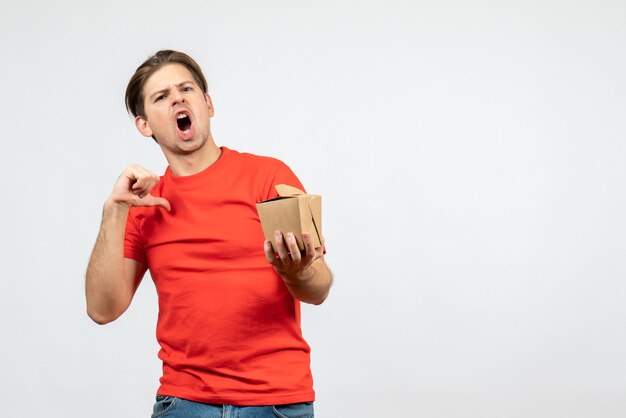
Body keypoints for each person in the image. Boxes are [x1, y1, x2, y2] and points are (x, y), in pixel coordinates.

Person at [85, 50, 333, 418]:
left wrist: (298, 272)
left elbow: (320, 287)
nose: (178, 98)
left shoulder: (268, 177)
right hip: (183, 404)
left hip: (277, 402)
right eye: (161, 96)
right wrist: (113, 211)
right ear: (145, 125)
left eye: (186, 88)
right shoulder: (143, 206)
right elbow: (102, 310)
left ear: (208, 103)